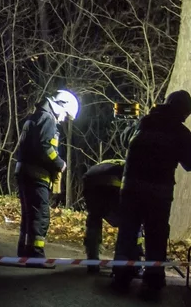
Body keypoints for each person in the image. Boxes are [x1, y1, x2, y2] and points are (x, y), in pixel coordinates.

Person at [112, 90, 191, 292]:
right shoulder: (178, 131)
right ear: (183, 111)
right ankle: (153, 277)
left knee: (128, 230)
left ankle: (121, 272)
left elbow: (124, 140)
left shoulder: (143, 122)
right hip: (158, 192)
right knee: (156, 233)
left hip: (131, 187)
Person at [14, 90, 79, 259]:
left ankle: (24, 252)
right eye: (65, 114)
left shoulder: (35, 116)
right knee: (40, 216)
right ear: (60, 106)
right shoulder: (47, 118)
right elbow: (45, 147)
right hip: (36, 174)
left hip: (25, 171)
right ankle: (36, 254)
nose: (63, 119)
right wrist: (59, 163)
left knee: (29, 216)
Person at [82, 159, 125, 275]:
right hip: (112, 182)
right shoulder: (134, 169)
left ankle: (92, 261)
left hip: (89, 179)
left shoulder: (115, 162)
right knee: (128, 221)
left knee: (94, 217)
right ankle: (125, 264)